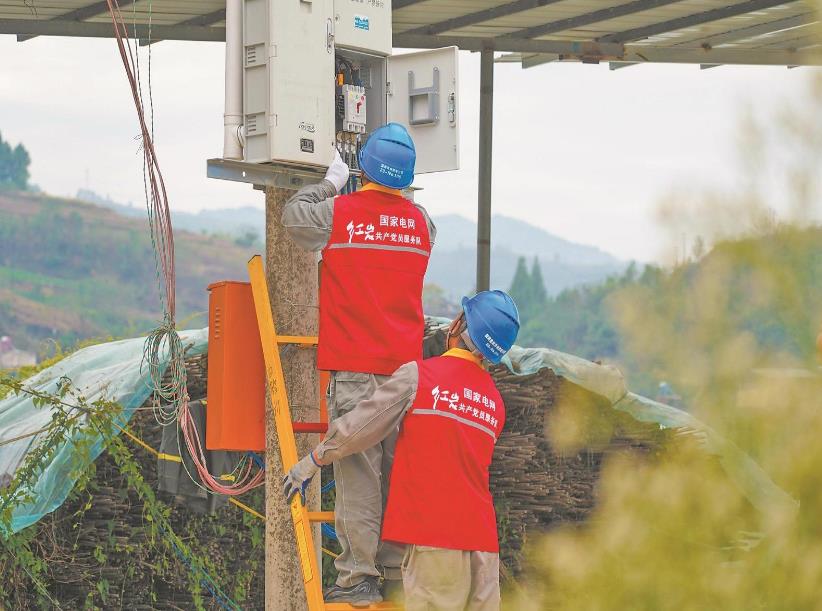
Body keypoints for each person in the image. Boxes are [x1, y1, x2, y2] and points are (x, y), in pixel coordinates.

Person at [284, 291, 521, 610]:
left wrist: (313, 460)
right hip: (484, 547)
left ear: (458, 323)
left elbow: (360, 427)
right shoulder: (494, 403)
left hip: (436, 542)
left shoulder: (420, 377)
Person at [281, 123, 436, 604]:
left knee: (359, 474)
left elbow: (293, 218)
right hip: (406, 375)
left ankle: (357, 578)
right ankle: (393, 573)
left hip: (355, 367)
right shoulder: (423, 224)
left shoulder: (339, 213)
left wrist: (330, 182)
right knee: (397, 475)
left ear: (362, 168)